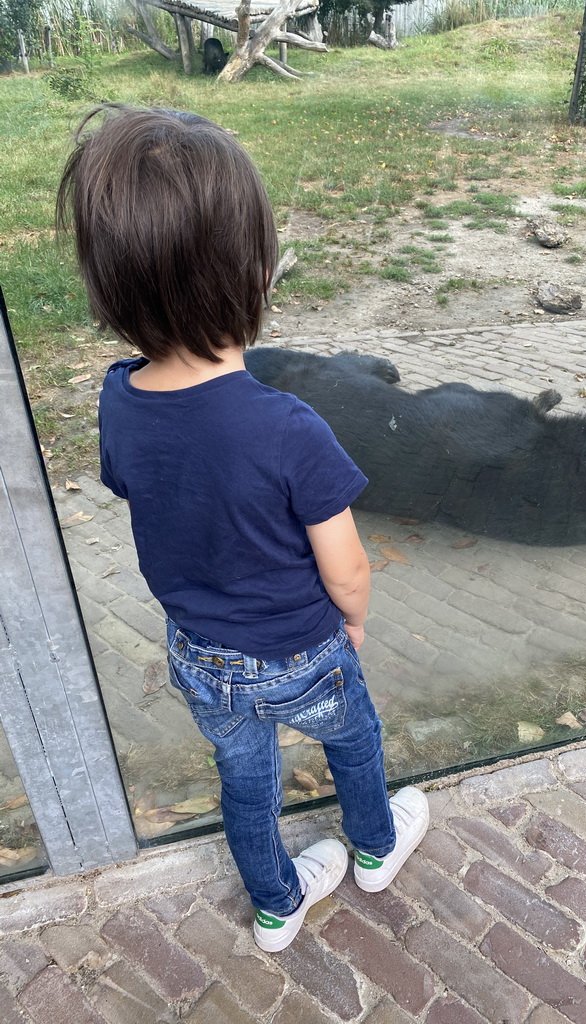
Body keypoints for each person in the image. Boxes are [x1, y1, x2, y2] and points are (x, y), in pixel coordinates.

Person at [56, 105, 429, 953]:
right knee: (356, 739)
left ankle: (276, 905)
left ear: (110, 285)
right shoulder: (289, 425)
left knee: (245, 781)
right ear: (256, 273)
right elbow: (347, 567)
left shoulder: (118, 397)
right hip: (304, 649)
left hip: (202, 656)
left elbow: (142, 487)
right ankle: (375, 848)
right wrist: (356, 620)